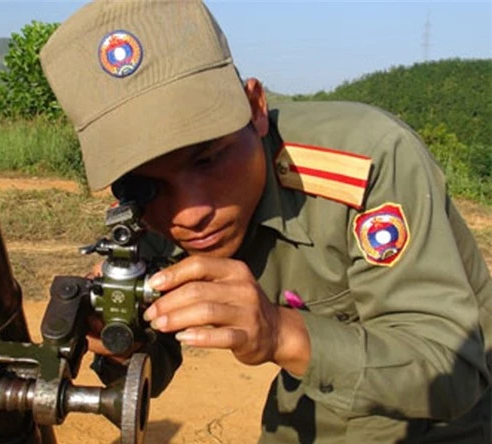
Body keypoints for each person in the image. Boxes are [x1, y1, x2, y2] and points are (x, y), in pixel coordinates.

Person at [39, 0, 491, 442]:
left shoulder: (368, 162)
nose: (190, 213)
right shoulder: (149, 216)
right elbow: (154, 373)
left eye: (209, 159)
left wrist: (279, 332)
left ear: (254, 107)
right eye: (146, 186)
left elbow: (453, 371)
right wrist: (127, 343)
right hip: (315, 392)